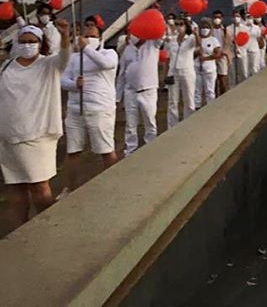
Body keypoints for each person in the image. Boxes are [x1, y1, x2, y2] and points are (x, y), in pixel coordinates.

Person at [0, 24, 72, 225]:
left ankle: (46, 226)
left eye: (32, 41)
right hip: (7, 136)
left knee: (39, 186)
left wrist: (65, 36)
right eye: (23, 41)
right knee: (15, 186)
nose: (27, 45)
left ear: (40, 43)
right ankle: (20, 228)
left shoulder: (48, 64)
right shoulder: (7, 66)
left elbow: (64, 57)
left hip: (37, 136)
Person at [60, 17, 118, 196]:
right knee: (72, 151)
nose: (88, 34)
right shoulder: (74, 58)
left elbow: (106, 65)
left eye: (93, 33)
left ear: (100, 37)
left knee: (105, 149)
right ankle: (70, 188)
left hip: (99, 109)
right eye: (86, 31)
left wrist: (87, 48)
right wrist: (74, 84)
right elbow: (63, 79)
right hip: (75, 110)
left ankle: (114, 186)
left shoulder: (109, 53)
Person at [118, 28, 160, 156]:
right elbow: (122, 74)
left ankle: (151, 150)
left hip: (148, 90)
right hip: (130, 91)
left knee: (149, 121)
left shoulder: (153, 44)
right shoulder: (127, 49)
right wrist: (117, 97)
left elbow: (160, 33)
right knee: (130, 124)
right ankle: (130, 151)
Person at [166, 18, 197, 127]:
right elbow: (168, 57)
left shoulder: (191, 38)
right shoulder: (172, 40)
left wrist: (196, 34)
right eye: (177, 24)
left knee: (189, 99)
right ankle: (172, 126)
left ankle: (189, 124)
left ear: (186, 26)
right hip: (173, 72)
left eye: (181, 24)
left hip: (186, 70)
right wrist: (167, 73)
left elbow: (198, 45)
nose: (179, 26)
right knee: (172, 101)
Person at [196, 22, 221, 106]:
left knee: (209, 90)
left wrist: (206, 58)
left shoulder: (213, 40)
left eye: (206, 27)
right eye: (202, 27)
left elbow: (218, 54)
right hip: (196, 68)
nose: (204, 29)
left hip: (209, 69)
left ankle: (210, 106)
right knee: (197, 90)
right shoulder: (196, 39)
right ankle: (197, 106)